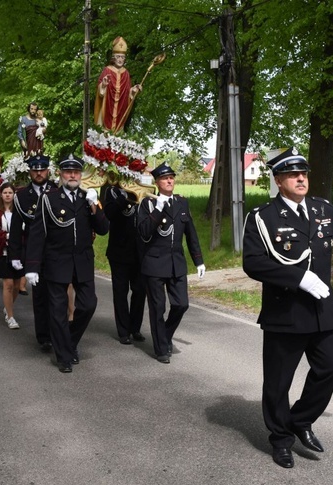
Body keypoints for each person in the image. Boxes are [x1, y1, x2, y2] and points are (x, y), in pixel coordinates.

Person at [242, 147, 333, 469]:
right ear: (278, 180)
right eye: (292, 174)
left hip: (322, 310)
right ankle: (280, 439)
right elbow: (253, 263)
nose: (301, 178)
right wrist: (297, 278)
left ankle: (300, 420)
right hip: (285, 312)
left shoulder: (322, 209)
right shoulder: (263, 218)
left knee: (331, 367)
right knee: (278, 382)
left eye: (303, 173)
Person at [24, 154, 109, 373]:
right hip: (56, 261)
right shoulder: (48, 198)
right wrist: (32, 266)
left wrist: (94, 206)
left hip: (82, 262)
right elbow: (37, 233)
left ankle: (69, 342)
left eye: (77, 172)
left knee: (89, 304)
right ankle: (63, 356)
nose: (73, 175)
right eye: (68, 171)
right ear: (61, 174)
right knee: (58, 310)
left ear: (81, 175)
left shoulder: (87, 197)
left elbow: (103, 229)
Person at [136, 163, 204, 364]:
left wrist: (198, 261)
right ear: (157, 182)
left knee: (182, 304)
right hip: (155, 263)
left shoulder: (181, 203)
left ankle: (164, 335)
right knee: (158, 308)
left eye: (172, 178)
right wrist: (158, 209)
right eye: (165, 178)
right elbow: (144, 233)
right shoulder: (147, 204)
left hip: (176, 263)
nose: (169, 181)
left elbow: (191, 233)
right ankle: (161, 349)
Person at [9, 154, 58, 350]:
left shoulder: (57, 190)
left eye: (42, 169)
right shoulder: (21, 196)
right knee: (39, 296)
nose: (39, 173)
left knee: (58, 295)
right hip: (34, 254)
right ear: (29, 171)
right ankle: (44, 336)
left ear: (48, 170)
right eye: (35, 170)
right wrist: (14, 255)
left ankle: (58, 333)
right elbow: (15, 227)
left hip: (57, 251)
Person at [103, 185, 146, 345]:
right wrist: (126, 195)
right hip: (119, 251)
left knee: (140, 291)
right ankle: (123, 331)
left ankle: (135, 328)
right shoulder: (112, 191)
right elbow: (110, 214)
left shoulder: (143, 186)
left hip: (139, 251)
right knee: (120, 292)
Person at [94, 36, 142, 133]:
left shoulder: (126, 73)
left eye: (122, 57)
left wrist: (133, 91)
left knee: (118, 135)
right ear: (114, 58)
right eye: (118, 57)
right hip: (107, 108)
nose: (120, 60)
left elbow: (127, 94)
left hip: (120, 110)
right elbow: (100, 90)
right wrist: (103, 85)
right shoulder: (107, 70)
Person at [0, 182, 25, 329]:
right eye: (5, 192)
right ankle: (10, 317)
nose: (7, 195)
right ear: (1, 194)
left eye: (10, 193)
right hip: (4, 251)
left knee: (18, 285)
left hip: (19, 251)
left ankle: (8, 306)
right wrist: (6, 237)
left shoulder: (20, 210)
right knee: (8, 284)